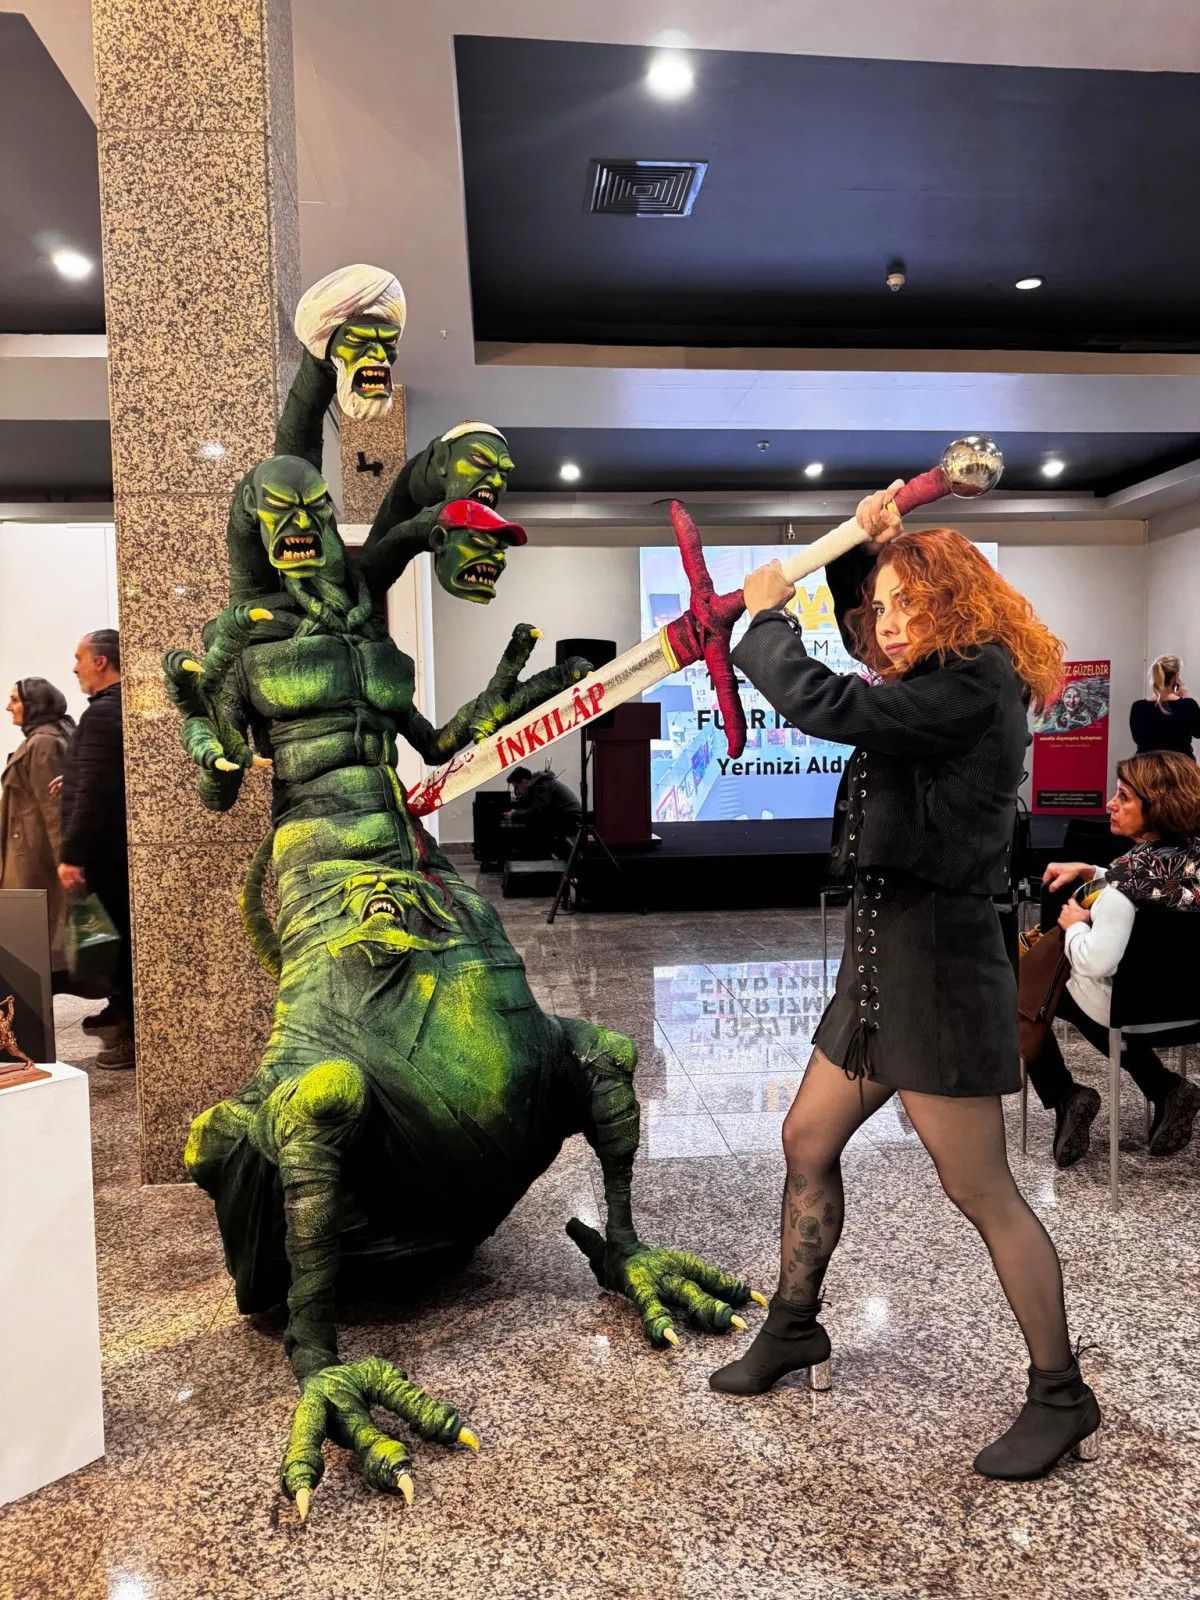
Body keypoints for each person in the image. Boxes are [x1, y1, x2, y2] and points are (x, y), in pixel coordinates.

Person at [708, 485, 1101, 1483]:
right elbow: (864, 652)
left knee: (981, 1190)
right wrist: (865, 544)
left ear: (954, 602)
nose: (882, 625)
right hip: (882, 960)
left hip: (940, 966)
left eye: (903, 604)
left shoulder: (978, 681)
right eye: (879, 606)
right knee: (806, 1138)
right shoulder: (933, 676)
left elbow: (835, 702)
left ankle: (1062, 1394)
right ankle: (794, 1325)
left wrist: (766, 619)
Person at [1026, 751, 1200, 1166]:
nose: (1110, 803)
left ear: (1157, 806)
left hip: (1132, 1012)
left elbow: (1095, 963)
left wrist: (1074, 926)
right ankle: (1163, 1087)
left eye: (1123, 796)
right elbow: (1151, 885)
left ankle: (1066, 1094)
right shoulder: (1187, 860)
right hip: (1190, 1009)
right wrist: (1093, 871)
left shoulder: (1123, 886)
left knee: (1027, 990)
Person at [58, 630, 133, 1069]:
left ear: (101, 662)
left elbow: (95, 790)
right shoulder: (117, 709)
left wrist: (72, 854)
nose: (75, 667)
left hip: (103, 853)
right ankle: (120, 1013)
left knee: (114, 945)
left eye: (79, 657)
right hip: (113, 850)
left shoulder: (103, 714)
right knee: (111, 940)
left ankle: (131, 1034)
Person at [1, 680, 75, 977]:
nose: (8, 707)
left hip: (36, 861)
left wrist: (65, 860)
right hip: (31, 856)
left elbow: (54, 810)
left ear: (35, 705)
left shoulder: (43, 744)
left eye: (15, 700)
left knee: (37, 943)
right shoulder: (42, 739)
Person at [502, 765, 582, 859]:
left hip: (571, 819)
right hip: (567, 817)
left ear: (524, 782)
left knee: (534, 825)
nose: (516, 792)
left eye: (516, 787)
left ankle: (536, 858)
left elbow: (536, 811)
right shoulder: (540, 783)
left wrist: (515, 815)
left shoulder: (541, 785)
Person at [1129, 654, 1200, 758]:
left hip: (1147, 766)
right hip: (1180, 766)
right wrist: (1186, 697)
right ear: (1176, 677)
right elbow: (1198, 732)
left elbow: (1138, 738)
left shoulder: (1138, 707)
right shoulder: (1188, 705)